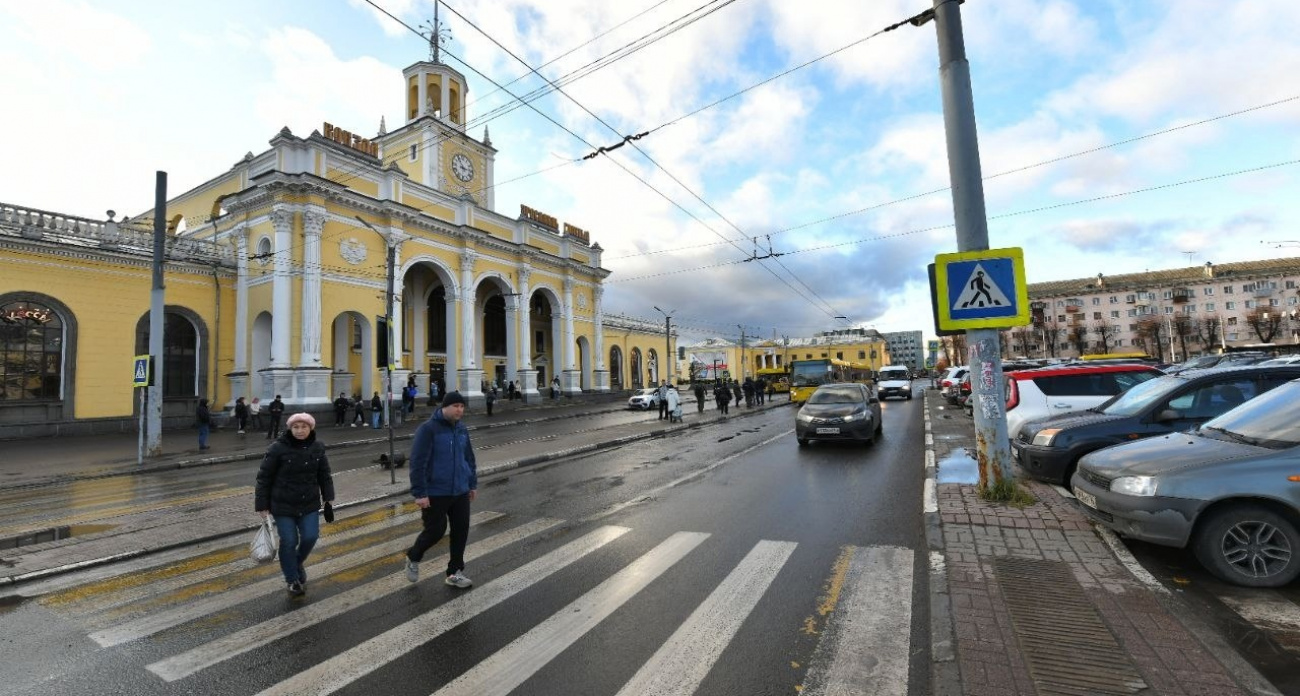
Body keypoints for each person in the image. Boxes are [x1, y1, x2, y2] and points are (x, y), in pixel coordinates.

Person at [255, 412, 335, 597]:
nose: (300, 430)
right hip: (283, 505)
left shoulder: (318, 447)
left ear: (311, 428)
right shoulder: (277, 448)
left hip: (309, 503)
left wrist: (328, 497)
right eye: (296, 427)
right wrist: (262, 505)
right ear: (290, 429)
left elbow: (325, 474)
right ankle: (292, 580)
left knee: (310, 537)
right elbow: (264, 477)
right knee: (289, 541)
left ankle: (296, 562)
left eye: (304, 427)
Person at [403, 391, 477, 589]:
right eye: (456, 406)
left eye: (462, 406)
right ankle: (413, 555)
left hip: (460, 489)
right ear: (445, 407)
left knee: (461, 530)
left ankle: (454, 572)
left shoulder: (461, 429)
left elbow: (468, 458)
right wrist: (420, 493)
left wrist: (471, 484)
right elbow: (418, 462)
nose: (459, 410)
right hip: (436, 491)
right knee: (435, 531)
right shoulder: (428, 429)